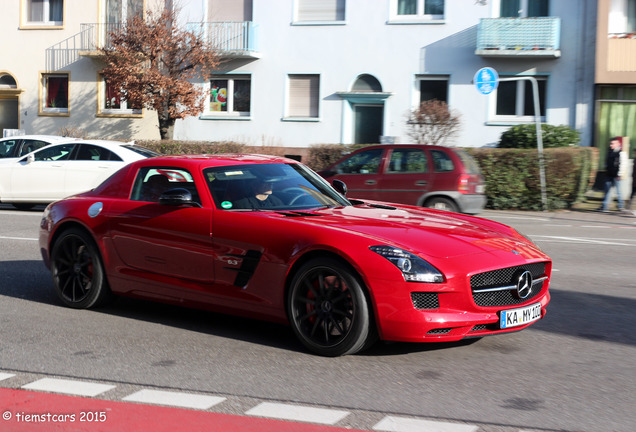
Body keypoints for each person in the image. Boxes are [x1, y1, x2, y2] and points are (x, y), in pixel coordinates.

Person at [599, 137, 627, 212]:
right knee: (607, 191)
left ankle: (621, 206)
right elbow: (607, 162)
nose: (611, 145)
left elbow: (623, 164)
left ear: (618, 144)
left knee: (618, 191)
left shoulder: (621, 153)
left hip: (616, 175)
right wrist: (606, 168)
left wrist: (620, 174)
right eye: (610, 143)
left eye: (612, 143)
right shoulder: (609, 152)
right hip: (609, 174)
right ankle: (605, 206)